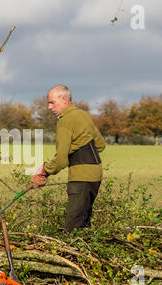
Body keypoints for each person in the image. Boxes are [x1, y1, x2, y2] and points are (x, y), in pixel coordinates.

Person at [31, 85, 106, 232]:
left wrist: (44, 171)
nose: (49, 107)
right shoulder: (83, 115)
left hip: (81, 178)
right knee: (84, 225)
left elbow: (61, 160)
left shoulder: (65, 120)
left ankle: (75, 254)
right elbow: (101, 145)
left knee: (73, 228)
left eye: (52, 102)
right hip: (96, 175)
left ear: (64, 99)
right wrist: (77, 147)